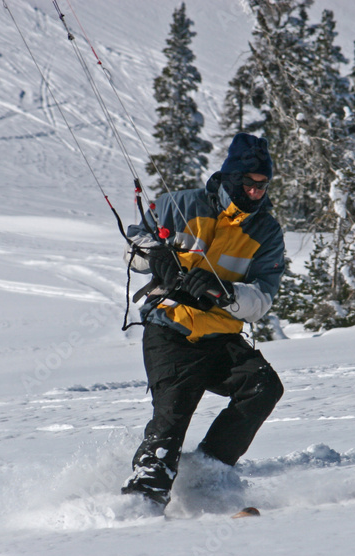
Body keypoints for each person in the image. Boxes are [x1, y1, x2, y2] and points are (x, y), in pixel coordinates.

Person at [121, 133, 286, 509]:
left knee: (263, 388)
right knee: (172, 419)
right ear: (230, 178)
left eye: (263, 184)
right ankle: (141, 500)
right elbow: (135, 250)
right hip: (170, 328)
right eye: (249, 183)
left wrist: (225, 292)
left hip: (222, 338)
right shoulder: (179, 204)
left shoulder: (266, 232)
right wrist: (155, 257)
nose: (257, 191)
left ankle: (207, 474)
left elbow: (262, 299)